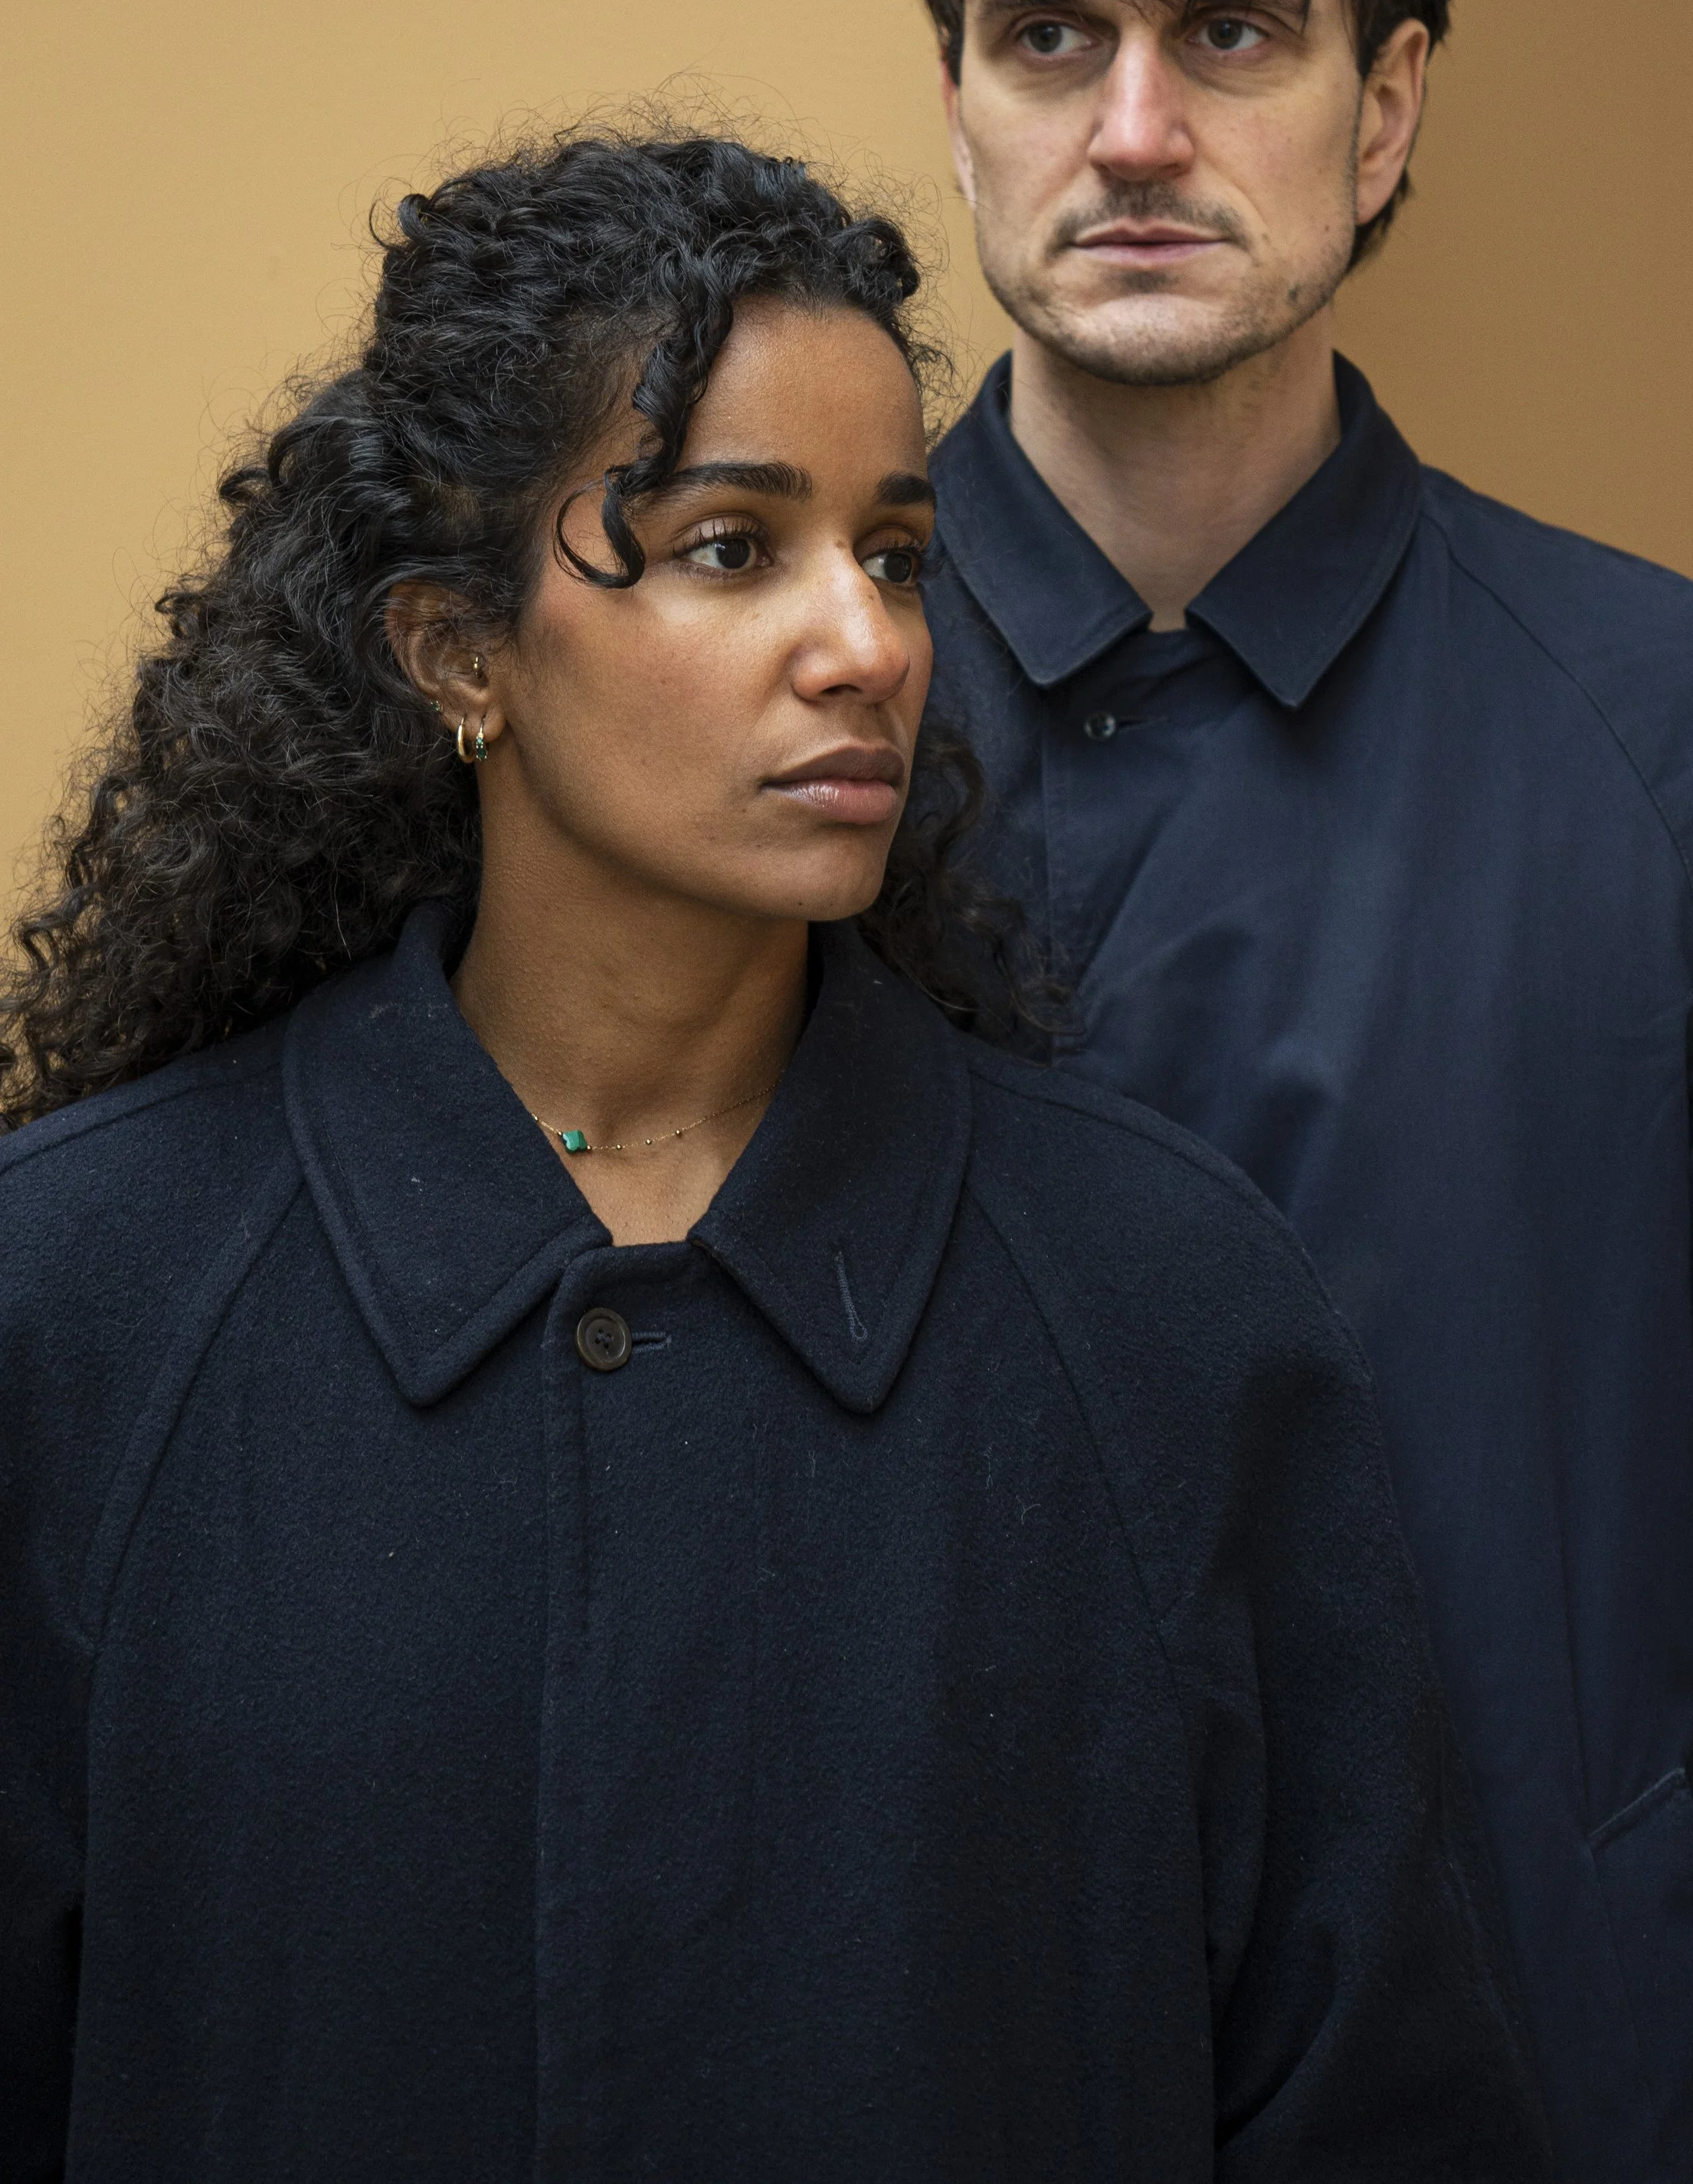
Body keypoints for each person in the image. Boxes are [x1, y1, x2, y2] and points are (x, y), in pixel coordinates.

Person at [0, 129, 1548, 2182]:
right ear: (459, 650)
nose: (869, 644)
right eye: (733, 545)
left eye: (894, 552)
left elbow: (1375, 2110)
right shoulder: (81, 1301)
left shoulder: (1169, 1311)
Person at [904, 0, 1693, 2184]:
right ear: (955, 100)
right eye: (1050, 35)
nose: (1131, 130)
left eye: (1228, 29)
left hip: (1548, 2102)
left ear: (1383, 112)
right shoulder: (741, 723)